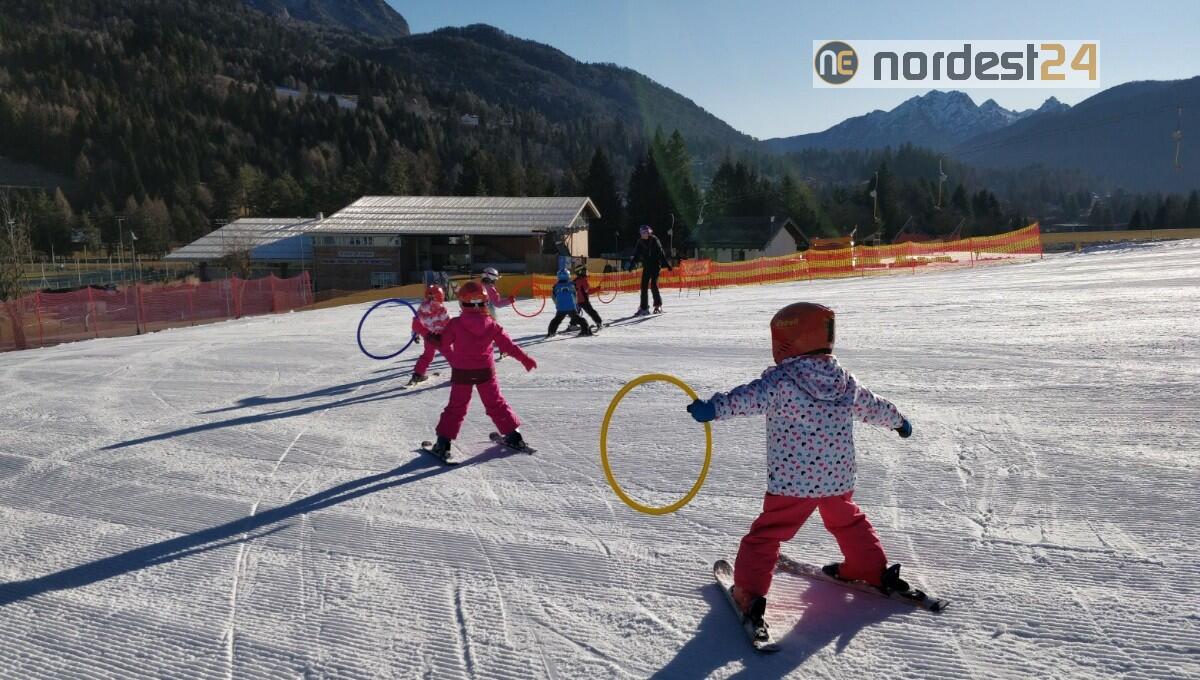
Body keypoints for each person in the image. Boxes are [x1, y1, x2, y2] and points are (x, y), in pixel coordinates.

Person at [685, 302, 914, 642]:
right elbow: (873, 405)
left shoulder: (781, 381)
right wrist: (898, 421)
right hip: (837, 478)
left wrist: (712, 408)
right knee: (847, 520)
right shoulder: (843, 381)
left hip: (793, 482)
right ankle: (868, 568)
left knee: (768, 534)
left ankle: (748, 591)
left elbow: (745, 399)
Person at [428, 281, 538, 456]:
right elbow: (508, 346)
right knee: (496, 403)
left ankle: (443, 444)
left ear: (462, 303)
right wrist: (525, 359)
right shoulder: (491, 323)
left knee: (456, 407)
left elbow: (443, 342)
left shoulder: (455, 324)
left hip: (462, 373)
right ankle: (513, 436)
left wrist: (431, 337)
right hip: (485, 372)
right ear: (485, 302)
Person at [407, 284, 451, 386]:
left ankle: (418, 374)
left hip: (428, 338)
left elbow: (416, 322)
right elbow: (448, 323)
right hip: (441, 338)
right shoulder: (442, 309)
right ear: (441, 296)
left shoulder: (421, 308)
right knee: (450, 355)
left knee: (427, 355)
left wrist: (415, 334)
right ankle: (459, 373)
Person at [632, 224, 671, 316]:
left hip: (655, 266)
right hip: (647, 266)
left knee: (653, 285)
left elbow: (661, 253)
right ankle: (644, 308)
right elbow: (637, 254)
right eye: (642, 233)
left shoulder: (655, 240)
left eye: (645, 232)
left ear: (649, 233)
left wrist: (666, 264)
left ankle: (658, 305)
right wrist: (632, 264)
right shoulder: (640, 242)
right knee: (643, 286)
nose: (643, 234)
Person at [480, 267, 515, 360]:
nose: (495, 281)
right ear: (491, 278)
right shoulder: (490, 288)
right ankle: (504, 350)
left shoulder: (478, 286)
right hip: (488, 315)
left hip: (475, 315)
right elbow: (497, 303)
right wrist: (509, 301)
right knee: (497, 333)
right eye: (495, 279)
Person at [546, 269, 593, 338]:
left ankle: (551, 332)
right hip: (571, 307)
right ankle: (585, 331)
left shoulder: (556, 286)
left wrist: (557, 304)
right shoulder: (572, 284)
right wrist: (575, 304)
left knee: (556, 321)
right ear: (568, 276)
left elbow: (553, 297)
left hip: (561, 308)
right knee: (579, 319)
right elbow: (575, 295)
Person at [573, 266, 603, 332]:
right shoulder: (583, 280)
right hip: (583, 300)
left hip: (575, 300)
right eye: (584, 271)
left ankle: (573, 325)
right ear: (581, 272)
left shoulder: (575, 280)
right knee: (591, 311)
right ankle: (599, 322)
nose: (586, 272)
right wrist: (597, 289)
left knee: (575, 313)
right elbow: (588, 291)